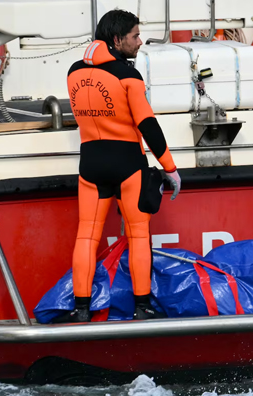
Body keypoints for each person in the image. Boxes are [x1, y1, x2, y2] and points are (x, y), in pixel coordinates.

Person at [62, 9, 181, 322]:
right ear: (117, 40)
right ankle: (142, 308)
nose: (140, 42)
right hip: (128, 164)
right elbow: (148, 125)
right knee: (139, 236)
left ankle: (81, 310)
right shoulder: (128, 76)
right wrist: (170, 168)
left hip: (90, 165)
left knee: (86, 237)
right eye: (135, 36)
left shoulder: (74, 73)